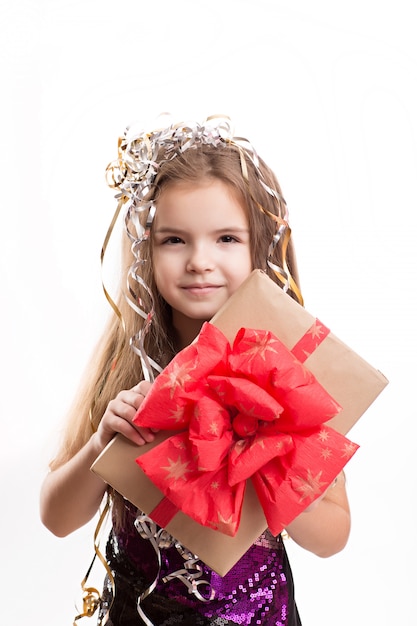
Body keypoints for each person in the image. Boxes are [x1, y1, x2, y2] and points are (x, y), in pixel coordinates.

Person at [40, 115, 352, 626]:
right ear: (144, 249)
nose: (199, 261)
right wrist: (101, 446)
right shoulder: (126, 365)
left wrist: (278, 474)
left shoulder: (292, 373)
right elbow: (55, 517)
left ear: (263, 246)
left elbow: (334, 537)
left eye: (226, 238)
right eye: (174, 240)